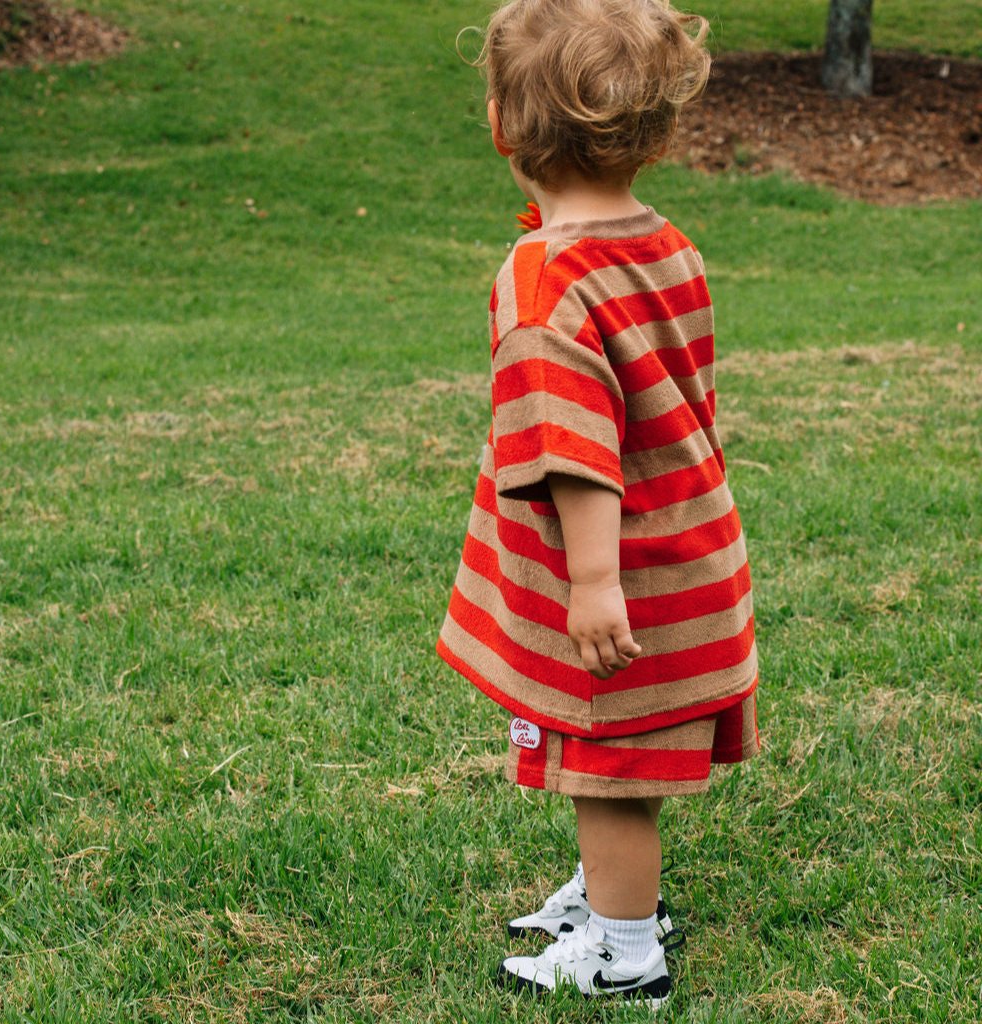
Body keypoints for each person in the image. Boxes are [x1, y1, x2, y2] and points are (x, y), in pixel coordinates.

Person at [437, 0, 760, 1008]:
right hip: (689, 551)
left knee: (606, 768)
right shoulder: (663, 242)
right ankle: (616, 894)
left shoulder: (545, 282)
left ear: (500, 123)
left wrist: (590, 583)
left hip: (625, 580)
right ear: (653, 131)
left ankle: (625, 947)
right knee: (604, 762)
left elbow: (577, 452)